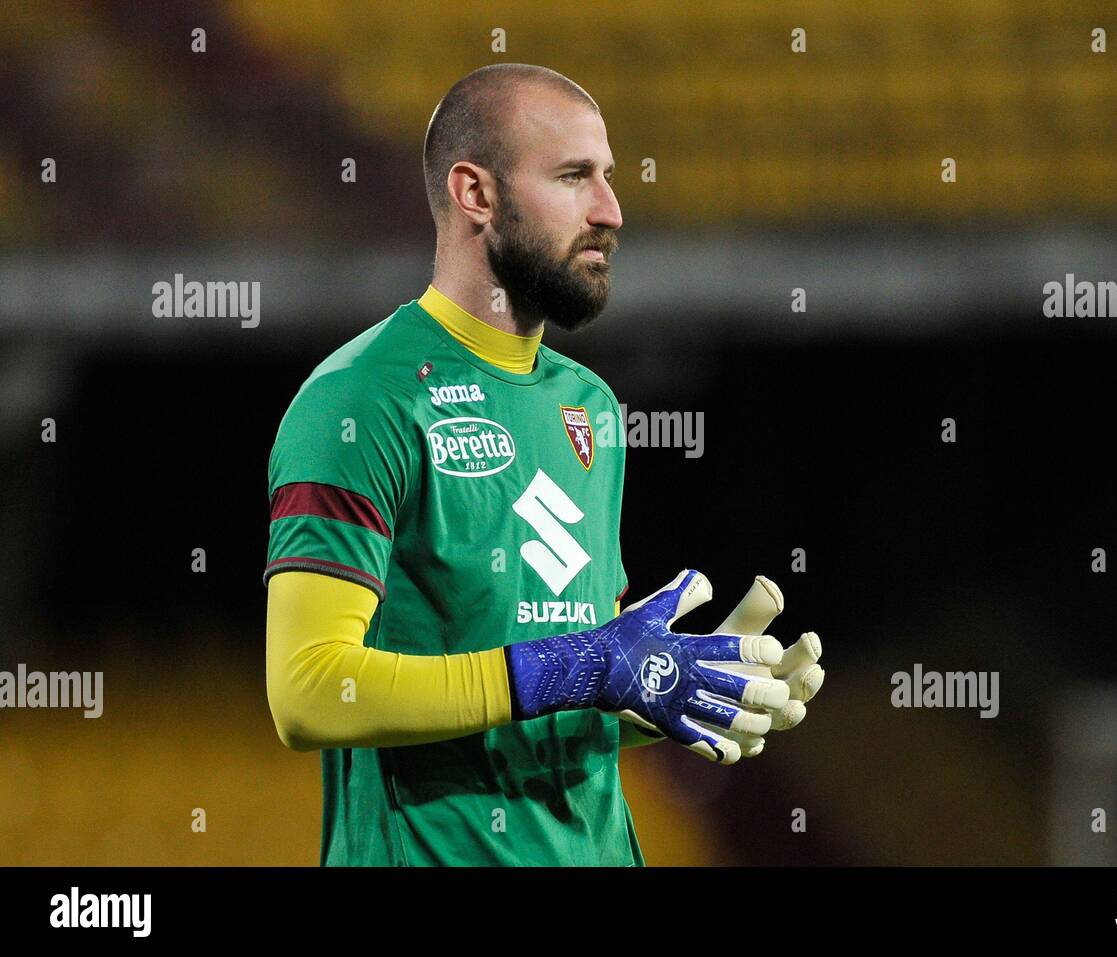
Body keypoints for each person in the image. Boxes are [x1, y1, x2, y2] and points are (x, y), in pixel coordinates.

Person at [263, 63, 822, 866]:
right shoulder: (361, 400)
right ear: (475, 195)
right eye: (573, 177)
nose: (611, 210)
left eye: (609, 179)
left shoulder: (587, 407)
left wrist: (677, 686)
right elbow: (308, 692)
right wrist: (574, 664)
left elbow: (568, 686)